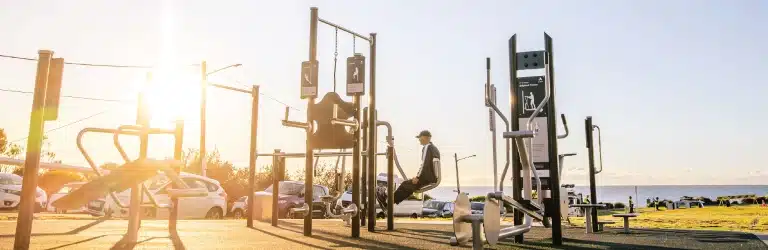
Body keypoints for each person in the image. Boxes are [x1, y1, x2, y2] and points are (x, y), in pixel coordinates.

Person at [377, 130, 440, 209]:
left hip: (427, 177)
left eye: (420, 138)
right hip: (431, 176)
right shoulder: (434, 148)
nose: (419, 140)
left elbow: (425, 164)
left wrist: (418, 177)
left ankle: (388, 201)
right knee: (407, 186)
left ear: (425, 137)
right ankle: (388, 202)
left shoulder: (427, 147)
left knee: (405, 185)